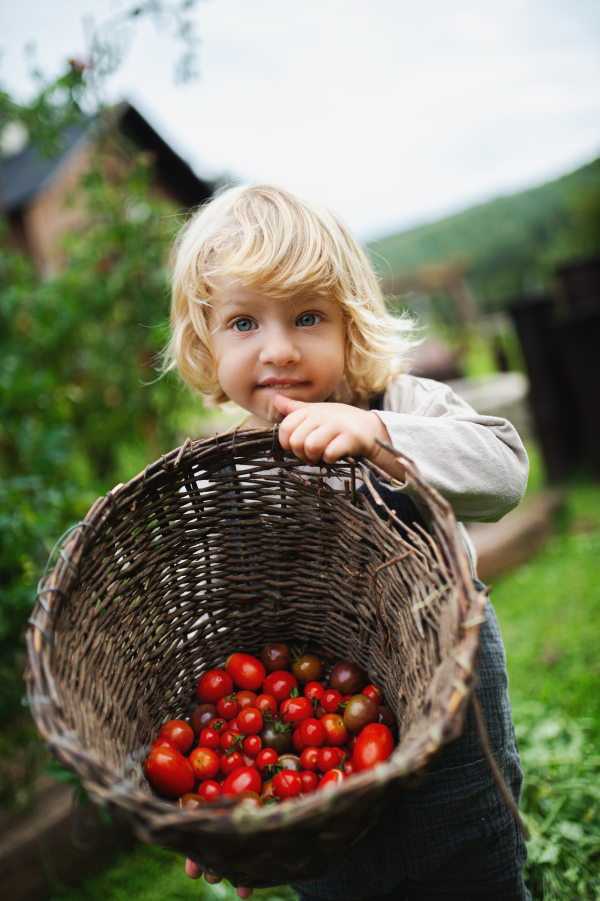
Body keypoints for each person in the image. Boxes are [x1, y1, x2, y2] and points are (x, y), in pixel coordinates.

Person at [163, 183, 531, 901]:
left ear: (350, 326)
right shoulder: (224, 479)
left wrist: (384, 439)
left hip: (453, 748)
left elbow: (504, 471)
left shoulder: (401, 406)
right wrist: (217, 807)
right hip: (323, 787)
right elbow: (225, 633)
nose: (278, 350)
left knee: (477, 878)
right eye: (243, 323)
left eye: (307, 317)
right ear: (206, 342)